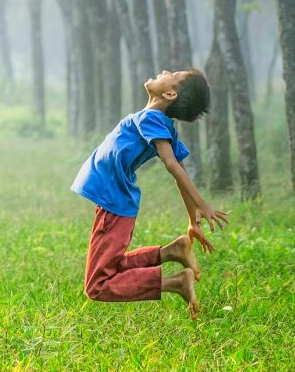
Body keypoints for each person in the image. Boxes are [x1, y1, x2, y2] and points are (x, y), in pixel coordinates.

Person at [71, 69, 228, 319]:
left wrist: (201, 205)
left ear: (169, 93)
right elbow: (179, 170)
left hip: (114, 203)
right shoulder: (157, 121)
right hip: (114, 202)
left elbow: (172, 164)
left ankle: (176, 283)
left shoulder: (153, 119)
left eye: (173, 74)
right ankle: (172, 252)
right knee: (110, 267)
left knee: (97, 285)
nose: (165, 71)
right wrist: (192, 220)